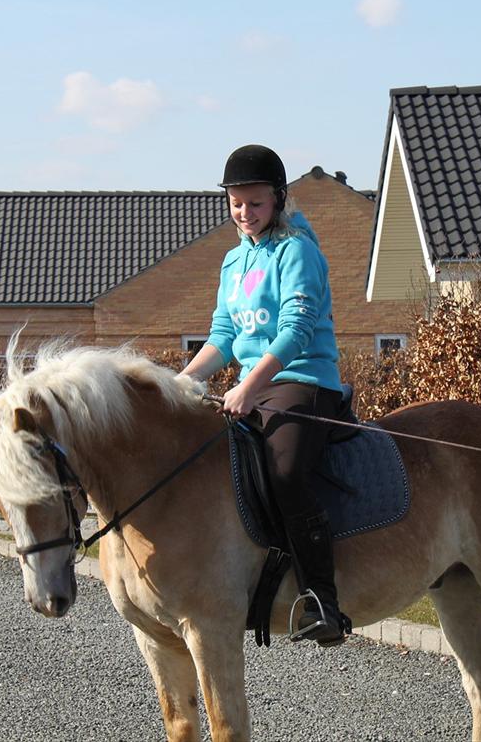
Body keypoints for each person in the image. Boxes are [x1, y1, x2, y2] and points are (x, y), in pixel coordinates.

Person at [180, 144, 348, 646]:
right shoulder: (233, 262)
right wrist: (183, 381)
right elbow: (222, 337)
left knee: (285, 472)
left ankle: (324, 602)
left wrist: (249, 386)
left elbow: (297, 329)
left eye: (254, 203)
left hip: (303, 382)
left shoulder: (298, 251)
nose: (244, 213)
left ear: (277, 200)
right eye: (236, 203)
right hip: (252, 389)